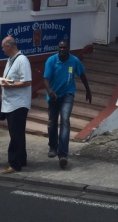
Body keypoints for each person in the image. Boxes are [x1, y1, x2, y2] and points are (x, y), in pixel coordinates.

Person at [43, 40, 91, 169]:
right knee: (52, 121)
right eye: (60, 47)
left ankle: (63, 154)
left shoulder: (74, 61)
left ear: (68, 48)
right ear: (57, 48)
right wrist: (49, 91)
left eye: (64, 48)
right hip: (53, 95)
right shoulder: (51, 61)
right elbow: (46, 79)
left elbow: (82, 75)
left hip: (67, 94)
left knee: (65, 120)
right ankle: (53, 146)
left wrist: (88, 90)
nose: (62, 50)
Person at [0, 36, 32, 174]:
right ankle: (21, 158)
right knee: (16, 133)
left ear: (9, 46)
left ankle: (14, 163)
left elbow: (27, 81)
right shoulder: (10, 60)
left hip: (18, 103)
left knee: (16, 134)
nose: (2, 49)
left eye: (3, 46)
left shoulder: (22, 60)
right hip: (9, 101)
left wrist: (9, 84)